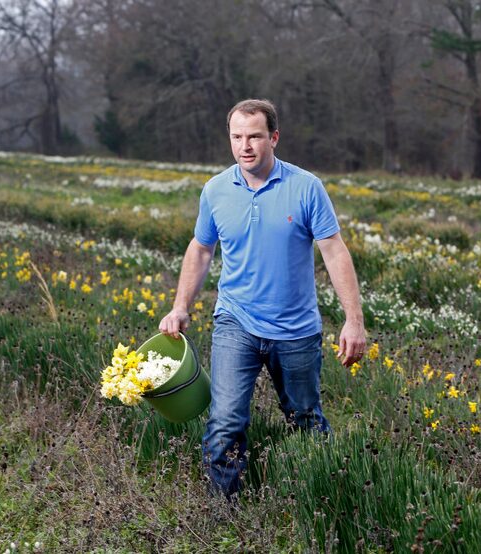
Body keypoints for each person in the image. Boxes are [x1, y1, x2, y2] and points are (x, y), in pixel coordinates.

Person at [159, 98, 365, 498]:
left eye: (254, 136)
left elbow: (334, 251)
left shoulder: (306, 187)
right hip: (236, 322)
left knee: (305, 420)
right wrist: (180, 306)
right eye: (237, 137)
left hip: (296, 330)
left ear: (274, 137)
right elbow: (201, 249)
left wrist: (353, 320)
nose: (245, 146)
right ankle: (226, 513)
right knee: (224, 421)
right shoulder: (216, 190)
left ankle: (322, 502)